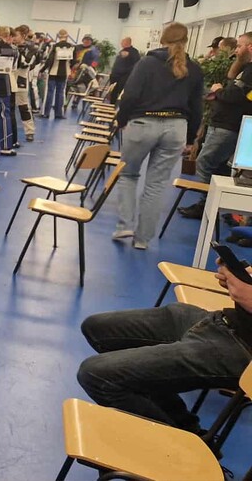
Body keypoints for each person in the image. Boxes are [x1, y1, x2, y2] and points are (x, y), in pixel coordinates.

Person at [77, 258, 252, 433]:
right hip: (222, 321)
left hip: (241, 350)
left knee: (96, 374)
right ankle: (184, 427)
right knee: (97, 328)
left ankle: (181, 445)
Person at [112, 22, 203, 249]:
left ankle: (125, 225)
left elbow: (130, 95)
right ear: (186, 41)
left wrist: (121, 120)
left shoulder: (147, 63)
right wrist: (190, 138)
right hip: (176, 128)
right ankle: (143, 239)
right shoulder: (194, 69)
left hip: (143, 124)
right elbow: (197, 108)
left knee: (128, 175)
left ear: (162, 39)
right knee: (157, 184)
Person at [179, 32, 252, 219]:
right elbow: (232, 80)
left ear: (250, 47)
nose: (236, 50)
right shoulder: (245, 68)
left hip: (229, 126)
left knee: (204, 162)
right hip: (222, 123)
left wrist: (218, 91)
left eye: (240, 46)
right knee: (220, 168)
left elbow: (235, 96)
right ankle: (216, 206)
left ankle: (207, 205)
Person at [0, 25, 18, 156]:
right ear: (7, 36)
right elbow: (13, 67)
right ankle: (6, 146)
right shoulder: (11, 49)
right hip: (2, 83)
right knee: (3, 115)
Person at [11, 25, 38, 142]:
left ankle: (29, 131)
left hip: (21, 77)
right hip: (9, 76)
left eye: (15, 35)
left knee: (23, 106)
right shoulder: (11, 46)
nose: (13, 38)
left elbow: (27, 63)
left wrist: (18, 53)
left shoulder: (31, 48)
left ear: (23, 35)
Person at [44, 29, 76, 119]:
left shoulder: (54, 46)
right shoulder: (72, 47)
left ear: (58, 36)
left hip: (53, 72)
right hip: (64, 72)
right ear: (67, 36)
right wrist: (69, 68)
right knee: (60, 93)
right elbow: (74, 61)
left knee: (49, 92)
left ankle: (46, 113)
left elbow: (50, 60)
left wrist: (42, 69)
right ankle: (58, 114)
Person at [108, 37, 141, 104]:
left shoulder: (133, 52)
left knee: (121, 95)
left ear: (127, 42)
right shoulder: (122, 51)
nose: (121, 43)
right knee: (113, 95)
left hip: (123, 78)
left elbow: (135, 65)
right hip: (115, 77)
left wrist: (124, 72)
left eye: (122, 42)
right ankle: (111, 105)